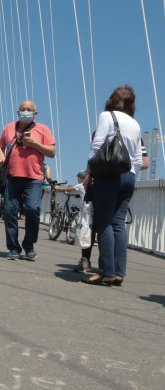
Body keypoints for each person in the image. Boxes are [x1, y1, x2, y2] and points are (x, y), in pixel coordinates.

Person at [82, 86, 143, 286]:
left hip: (109, 176)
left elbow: (97, 146)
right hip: (129, 176)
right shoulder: (135, 124)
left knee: (104, 222)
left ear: (111, 100)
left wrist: (89, 174)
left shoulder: (106, 116)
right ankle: (119, 272)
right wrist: (130, 176)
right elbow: (137, 159)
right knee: (118, 223)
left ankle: (106, 271)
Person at [0, 100, 56, 260]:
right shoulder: (8, 128)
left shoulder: (43, 129)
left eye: (29, 109)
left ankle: (29, 244)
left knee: (32, 209)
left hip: (34, 178)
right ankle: (13, 248)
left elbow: (52, 152)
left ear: (35, 113)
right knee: (9, 212)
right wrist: (1, 155)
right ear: (17, 112)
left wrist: (35, 144)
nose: (26, 111)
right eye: (23, 109)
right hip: (12, 177)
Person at [53, 170, 92, 272]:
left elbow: (68, 188)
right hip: (93, 209)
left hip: (86, 212)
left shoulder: (80, 185)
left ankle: (85, 261)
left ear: (81, 178)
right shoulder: (91, 184)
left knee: (84, 233)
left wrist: (57, 188)